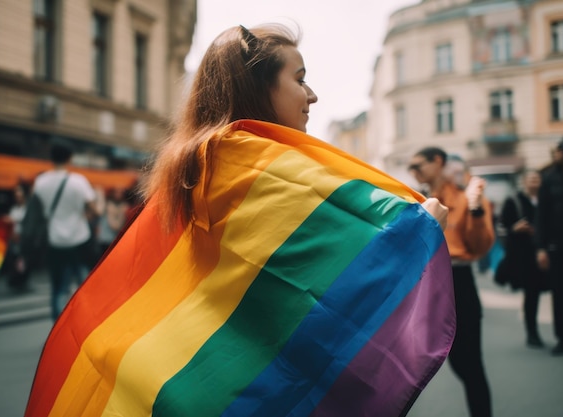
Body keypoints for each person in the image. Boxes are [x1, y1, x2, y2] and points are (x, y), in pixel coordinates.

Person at [25, 24, 453, 417]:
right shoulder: (250, 158)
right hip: (243, 389)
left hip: (195, 376)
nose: (313, 95)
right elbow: (336, 259)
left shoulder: (203, 156)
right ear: (257, 87)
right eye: (299, 78)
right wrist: (420, 228)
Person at [408, 147, 494, 417]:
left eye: (418, 165)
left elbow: (480, 246)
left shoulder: (466, 196)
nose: (413, 171)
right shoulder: (415, 199)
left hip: (458, 281)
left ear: (438, 162)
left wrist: (476, 208)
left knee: (468, 364)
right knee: (409, 364)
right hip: (423, 284)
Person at [32, 142, 99, 321]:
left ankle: (56, 331)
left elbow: (38, 209)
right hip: (79, 238)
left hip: (55, 241)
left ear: (51, 158)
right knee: (83, 284)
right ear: (70, 158)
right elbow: (94, 210)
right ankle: (86, 326)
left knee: (57, 287)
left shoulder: (40, 182)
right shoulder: (78, 181)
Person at [500, 170, 547, 348]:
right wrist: (516, 228)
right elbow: (504, 226)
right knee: (532, 293)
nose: (534, 181)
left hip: (548, 251)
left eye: (537, 178)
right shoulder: (514, 201)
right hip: (525, 255)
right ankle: (532, 333)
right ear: (524, 182)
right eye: (531, 178)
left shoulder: (546, 199)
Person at [536, 133, 563, 355]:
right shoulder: (549, 178)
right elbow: (541, 215)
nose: (556, 153)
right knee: (559, 295)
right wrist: (540, 248)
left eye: (559, 150)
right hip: (557, 246)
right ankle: (562, 338)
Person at [5, 182, 31, 292]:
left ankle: (23, 281)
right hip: (15, 240)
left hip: (24, 240)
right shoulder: (14, 209)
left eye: (19, 192)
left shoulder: (28, 209)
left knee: (24, 261)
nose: (17, 195)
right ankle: (17, 281)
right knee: (16, 261)